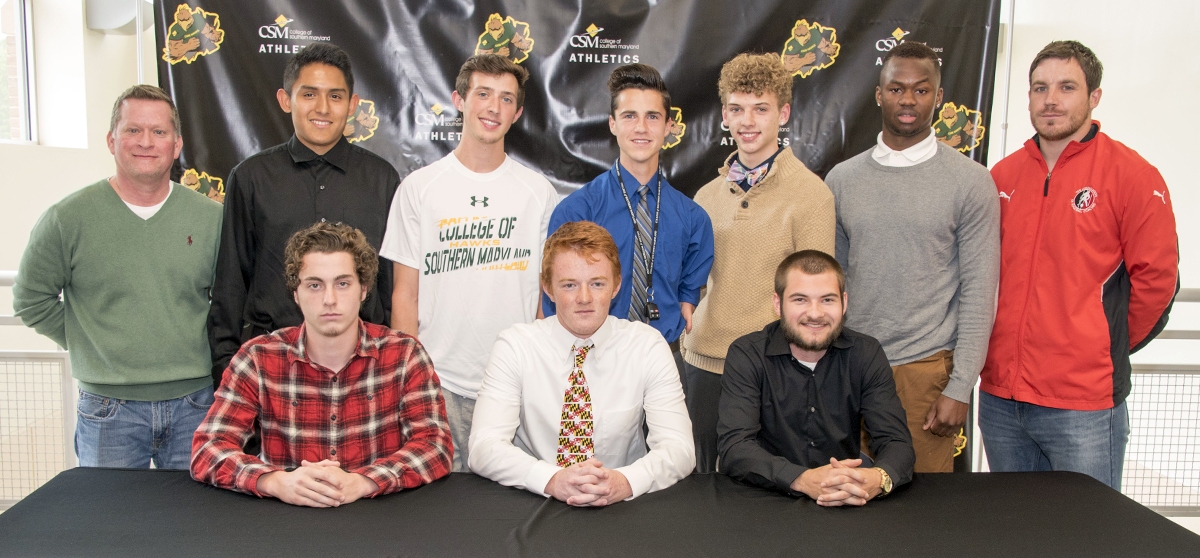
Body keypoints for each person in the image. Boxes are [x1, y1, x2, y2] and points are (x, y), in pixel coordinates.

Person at [981, 40, 1179, 489]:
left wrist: (1100, 344)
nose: (1050, 99)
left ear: (1094, 97)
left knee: (1087, 539)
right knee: (1015, 533)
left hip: (1083, 406)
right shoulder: (1002, 177)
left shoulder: (1132, 175)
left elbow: (1158, 280)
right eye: (1039, 88)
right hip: (1000, 398)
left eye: (1066, 87)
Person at [12, 85, 222, 468]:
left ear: (176, 145)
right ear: (111, 140)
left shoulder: (211, 219)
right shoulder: (68, 218)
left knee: (196, 526)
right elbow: (30, 300)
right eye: (132, 130)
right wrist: (91, 344)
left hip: (195, 403)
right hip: (108, 411)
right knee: (110, 527)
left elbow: (228, 301)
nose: (146, 142)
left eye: (159, 132)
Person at [825, 41, 1000, 473]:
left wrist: (961, 386)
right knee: (845, 509)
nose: (908, 100)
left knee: (920, 519)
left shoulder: (971, 182)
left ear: (939, 97)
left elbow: (980, 290)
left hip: (926, 373)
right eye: (897, 88)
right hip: (851, 368)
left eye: (921, 90)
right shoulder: (842, 179)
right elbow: (832, 283)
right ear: (879, 93)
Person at [191, 222, 452, 507]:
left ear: (363, 289)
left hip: (378, 521)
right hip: (286, 521)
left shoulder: (404, 356)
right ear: (295, 293)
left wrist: (365, 481)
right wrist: (274, 481)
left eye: (343, 283)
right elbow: (207, 449)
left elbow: (435, 445)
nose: (329, 299)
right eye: (315, 285)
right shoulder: (257, 358)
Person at [382, 54, 557, 472]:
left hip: (515, 386)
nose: (493, 108)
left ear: (517, 113)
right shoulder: (419, 188)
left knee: (514, 519)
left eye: (506, 99)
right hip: (439, 383)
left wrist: (538, 374)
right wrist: (410, 380)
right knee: (444, 518)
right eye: (483, 94)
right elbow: (405, 293)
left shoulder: (538, 192)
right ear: (459, 100)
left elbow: (543, 297)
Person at [209, 43, 400, 388]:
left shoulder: (382, 179)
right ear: (286, 100)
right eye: (309, 94)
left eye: (336, 96)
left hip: (365, 371)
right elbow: (231, 283)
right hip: (273, 370)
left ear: (353, 105)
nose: (323, 108)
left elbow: (391, 286)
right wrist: (227, 372)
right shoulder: (251, 178)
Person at [683, 52, 835, 473]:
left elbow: (817, 302)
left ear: (783, 113)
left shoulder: (812, 195)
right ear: (725, 116)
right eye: (737, 109)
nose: (748, 121)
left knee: (768, 494)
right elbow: (693, 285)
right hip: (704, 365)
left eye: (761, 109)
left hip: (774, 370)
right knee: (702, 491)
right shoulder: (706, 196)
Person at [470, 221, 694, 505]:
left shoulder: (647, 346)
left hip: (623, 505)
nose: (584, 298)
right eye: (569, 285)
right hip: (532, 501)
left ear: (616, 286)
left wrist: (625, 481)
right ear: (548, 289)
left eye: (597, 283)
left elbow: (680, 448)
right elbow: (483, 446)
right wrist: (552, 479)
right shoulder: (515, 346)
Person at [544, 63, 713, 384]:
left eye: (652, 117)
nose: (641, 127)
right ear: (612, 124)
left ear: (668, 126)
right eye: (629, 116)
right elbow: (553, 300)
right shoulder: (576, 212)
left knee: (669, 437)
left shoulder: (693, 218)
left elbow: (689, 290)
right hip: (590, 361)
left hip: (663, 361)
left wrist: (687, 301)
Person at [718, 250, 914, 505]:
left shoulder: (866, 353)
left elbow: (897, 442)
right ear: (778, 304)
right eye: (800, 300)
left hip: (846, 498)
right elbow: (735, 447)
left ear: (844, 303)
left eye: (827, 300)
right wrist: (802, 479)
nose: (815, 313)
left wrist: (877, 478)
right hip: (764, 498)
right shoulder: (747, 354)